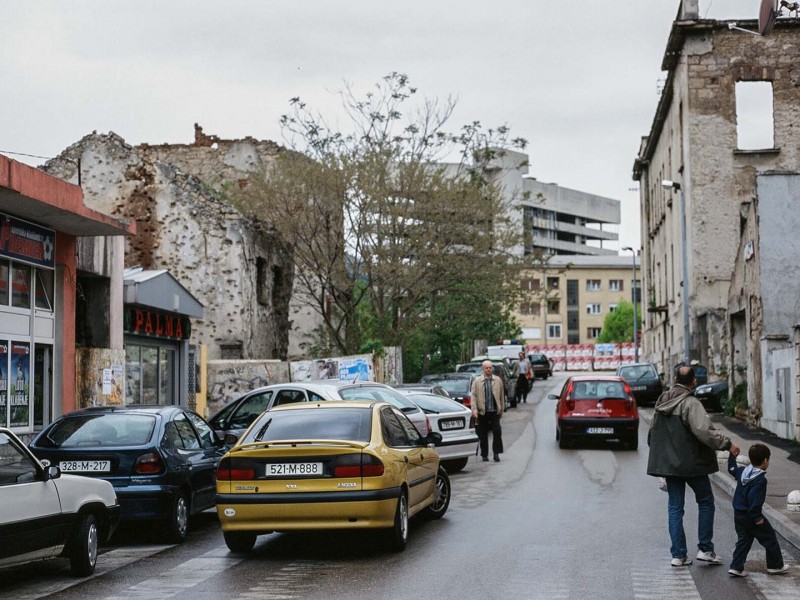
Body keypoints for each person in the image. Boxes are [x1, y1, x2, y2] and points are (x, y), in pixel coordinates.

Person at [647, 366, 739, 567]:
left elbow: (654, 432)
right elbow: (704, 431)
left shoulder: (662, 400)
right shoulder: (690, 403)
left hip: (670, 465)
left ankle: (678, 555)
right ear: (693, 381)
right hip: (692, 463)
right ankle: (706, 549)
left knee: (675, 507)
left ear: (674, 378)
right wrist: (727, 444)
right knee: (705, 501)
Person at [726, 443, 788, 577]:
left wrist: (732, 457)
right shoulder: (760, 480)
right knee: (770, 538)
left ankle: (736, 567)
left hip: (738, 515)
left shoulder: (743, 472)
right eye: (769, 459)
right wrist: (757, 518)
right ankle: (775, 565)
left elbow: (731, 469)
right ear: (765, 460)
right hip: (752, 516)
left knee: (744, 540)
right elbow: (754, 501)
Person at [470, 360, 505, 462]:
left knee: (497, 431)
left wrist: (501, 409)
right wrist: (474, 410)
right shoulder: (477, 381)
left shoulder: (497, 380)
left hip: (494, 411)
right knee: (483, 434)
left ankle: (496, 453)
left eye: (490, 367)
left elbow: (501, 396)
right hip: (482, 412)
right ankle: (484, 454)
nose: (489, 369)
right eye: (487, 368)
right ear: (483, 369)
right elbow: (473, 397)